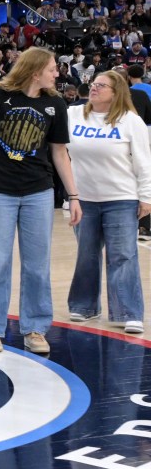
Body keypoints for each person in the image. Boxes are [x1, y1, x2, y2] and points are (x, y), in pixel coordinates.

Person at [0, 47, 82, 354]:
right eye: (52, 69)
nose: (57, 73)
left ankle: (35, 328)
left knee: (37, 264)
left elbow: (59, 152)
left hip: (38, 192)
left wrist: (74, 195)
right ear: (35, 70)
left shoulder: (55, 104)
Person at [62, 70, 151, 335]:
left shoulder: (130, 121)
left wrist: (146, 197)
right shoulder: (73, 114)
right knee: (86, 255)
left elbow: (143, 162)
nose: (94, 88)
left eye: (102, 85)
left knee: (123, 255)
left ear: (116, 93)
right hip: (84, 199)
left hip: (121, 199)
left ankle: (128, 312)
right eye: (94, 84)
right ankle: (84, 306)